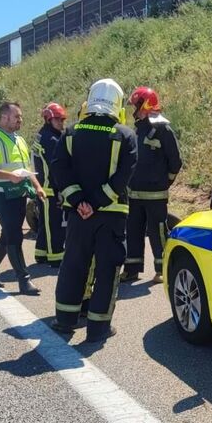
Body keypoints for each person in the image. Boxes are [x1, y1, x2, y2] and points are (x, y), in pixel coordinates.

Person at [50, 79, 137, 343]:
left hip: (78, 215)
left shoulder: (71, 132)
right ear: (117, 103)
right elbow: (125, 175)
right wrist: (98, 201)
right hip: (111, 214)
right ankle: (98, 328)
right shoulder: (125, 134)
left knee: (74, 264)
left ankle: (65, 321)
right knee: (107, 270)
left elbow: (59, 169)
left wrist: (79, 202)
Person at [0, 102, 46, 295]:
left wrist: (37, 186)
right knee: (14, 234)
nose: (20, 120)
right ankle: (24, 279)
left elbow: (26, 167)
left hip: (19, 192)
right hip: (0, 193)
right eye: (17, 117)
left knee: (8, 235)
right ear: (4, 117)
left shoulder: (19, 140)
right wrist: (8, 176)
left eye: (20, 116)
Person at [121, 86, 182, 284]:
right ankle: (131, 269)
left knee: (158, 232)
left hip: (155, 194)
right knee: (133, 231)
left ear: (145, 105)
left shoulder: (163, 128)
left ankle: (162, 269)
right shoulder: (139, 128)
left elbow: (175, 161)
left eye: (136, 106)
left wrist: (165, 182)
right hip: (134, 193)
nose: (134, 110)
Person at [32, 102, 67, 267]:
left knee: (44, 224)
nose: (61, 122)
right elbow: (57, 168)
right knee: (54, 225)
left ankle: (41, 253)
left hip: (43, 187)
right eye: (57, 120)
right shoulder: (51, 140)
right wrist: (61, 190)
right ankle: (55, 257)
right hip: (50, 189)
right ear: (48, 120)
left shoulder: (43, 135)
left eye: (62, 119)